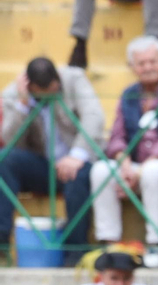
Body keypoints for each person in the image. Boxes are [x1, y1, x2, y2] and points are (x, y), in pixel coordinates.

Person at [90, 38, 158, 268]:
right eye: (141, 63)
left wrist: (140, 170)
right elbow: (117, 136)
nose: (147, 67)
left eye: (152, 62)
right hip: (133, 164)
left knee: (153, 172)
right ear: (132, 67)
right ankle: (109, 244)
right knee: (101, 170)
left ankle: (155, 244)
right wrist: (125, 164)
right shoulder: (128, 94)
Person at [0, 58, 105, 267]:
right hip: (43, 165)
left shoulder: (74, 78)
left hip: (79, 160)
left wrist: (76, 155)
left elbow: (94, 117)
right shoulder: (14, 93)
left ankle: (75, 250)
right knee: (5, 161)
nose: (49, 96)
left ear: (58, 79)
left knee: (79, 176)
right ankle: (1, 240)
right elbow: (12, 142)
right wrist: (22, 106)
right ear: (31, 87)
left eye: (53, 90)